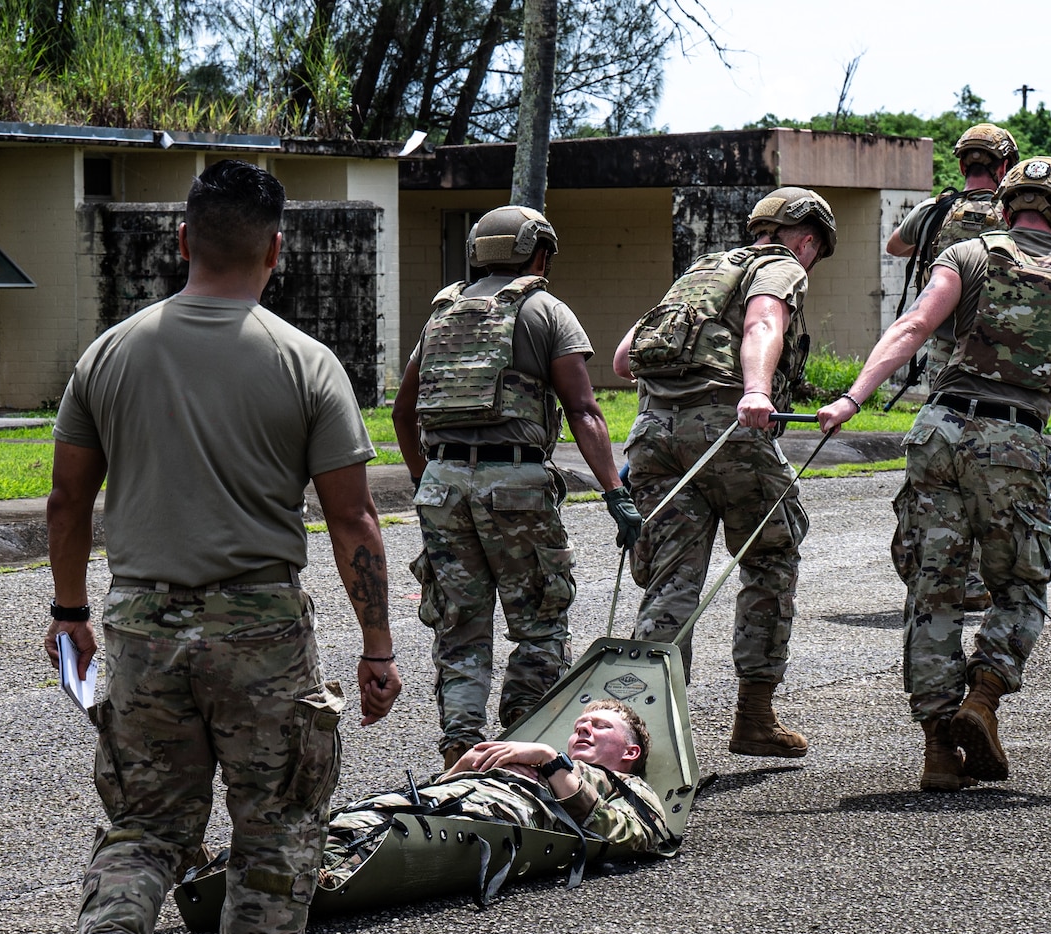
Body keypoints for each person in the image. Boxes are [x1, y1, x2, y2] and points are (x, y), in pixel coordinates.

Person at [43, 159, 404, 934]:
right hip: (259, 628)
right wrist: (377, 645)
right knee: (276, 832)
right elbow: (353, 520)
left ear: (181, 242)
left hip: (140, 623)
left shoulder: (110, 354)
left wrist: (70, 611)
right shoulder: (304, 360)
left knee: (146, 821)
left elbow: (67, 500)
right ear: (277, 250)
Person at [817, 157, 1051, 791]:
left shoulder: (969, 253)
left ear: (1006, 207)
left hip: (938, 432)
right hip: (1016, 439)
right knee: (1020, 588)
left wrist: (851, 398)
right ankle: (981, 699)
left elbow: (913, 325)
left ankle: (938, 752)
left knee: (932, 591)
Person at [390, 206, 642, 770]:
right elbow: (582, 408)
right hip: (517, 484)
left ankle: (459, 746)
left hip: (442, 486)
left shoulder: (442, 314)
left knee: (461, 626)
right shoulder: (545, 309)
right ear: (539, 254)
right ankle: (522, 745)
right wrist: (614, 493)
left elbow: (403, 414)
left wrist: (425, 480)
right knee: (540, 623)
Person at [611, 187, 837, 759]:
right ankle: (755, 717)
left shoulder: (702, 270)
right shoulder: (781, 266)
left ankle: (643, 737)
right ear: (807, 241)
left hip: (653, 436)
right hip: (728, 431)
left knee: (672, 581)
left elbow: (622, 360)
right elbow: (764, 323)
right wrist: (757, 390)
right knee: (770, 558)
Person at [319, 702, 670, 895]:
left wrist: (552, 762)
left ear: (630, 752)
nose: (583, 728)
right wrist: (461, 767)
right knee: (336, 826)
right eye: (580, 724)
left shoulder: (626, 786)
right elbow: (440, 792)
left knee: (361, 845)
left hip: (479, 820)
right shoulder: (534, 758)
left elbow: (635, 837)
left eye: (600, 726)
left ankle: (302, 880)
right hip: (441, 800)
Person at [884, 123, 1021, 613]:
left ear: (963, 165)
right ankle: (984, 577)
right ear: (1004, 167)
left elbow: (895, 247)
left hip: (944, 355)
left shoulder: (936, 210)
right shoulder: (1014, 216)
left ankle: (936, 567)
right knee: (993, 460)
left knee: (939, 460)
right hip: (1001, 356)